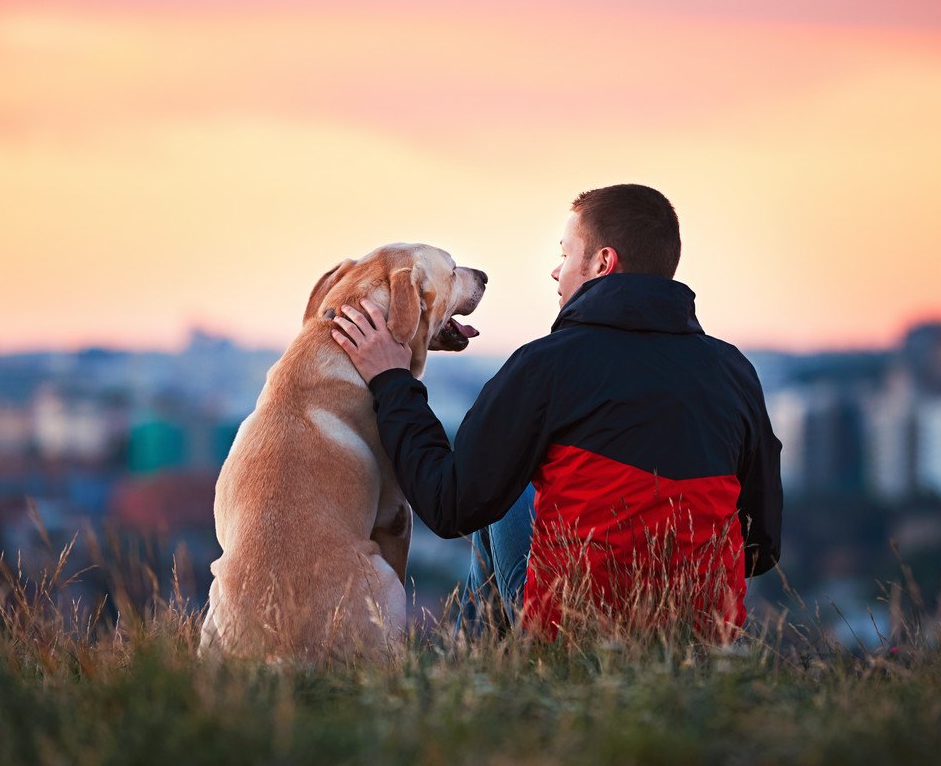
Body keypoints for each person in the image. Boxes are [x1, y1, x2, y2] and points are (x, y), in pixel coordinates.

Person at [330, 184, 782, 640]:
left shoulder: (546, 365)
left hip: (576, 632)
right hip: (703, 636)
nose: (554, 271)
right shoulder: (734, 373)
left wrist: (392, 381)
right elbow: (761, 546)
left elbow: (448, 505)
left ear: (602, 263)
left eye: (566, 254)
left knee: (499, 498)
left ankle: (477, 678)